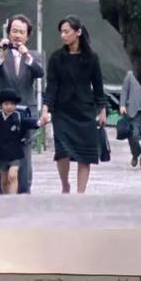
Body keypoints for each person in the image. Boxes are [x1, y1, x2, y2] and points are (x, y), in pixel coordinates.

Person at [42, 18, 107, 195]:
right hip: (62, 111)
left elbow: (99, 86)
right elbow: (52, 86)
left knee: (84, 155)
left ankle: (81, 193)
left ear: (77, 32)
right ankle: (65, 185)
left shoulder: (91, 58)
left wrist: (102, 110)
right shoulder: (56, 58)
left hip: (84, 110)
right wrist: (46, 108)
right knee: (62, 151)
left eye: (66, 31)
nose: (63, 35)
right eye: (61, 32)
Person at [0, 13, 43, 194]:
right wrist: (3, 53)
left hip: (26, 111)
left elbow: (39, 72)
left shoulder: (34, 56)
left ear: (28, 35)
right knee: (3, 150)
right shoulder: (0, 54)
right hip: (4, 113)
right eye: (14, 31)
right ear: (8, 32)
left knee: (25, 152)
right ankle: (3, 189)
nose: (17, 35)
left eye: (21, 32)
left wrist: (26, 55)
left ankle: (24, 190)